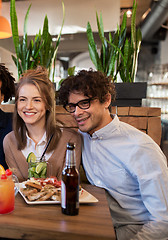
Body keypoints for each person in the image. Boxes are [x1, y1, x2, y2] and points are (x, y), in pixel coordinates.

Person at [58, 69, 168, 240]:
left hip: (134, 229)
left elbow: (163, 221)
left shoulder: (141, 147)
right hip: (98, 222)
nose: (76, 113)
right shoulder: (81, 138)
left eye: (85, 103)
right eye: (72, 106)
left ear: (106, 100)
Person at [3, 67, 82, 181]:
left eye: (37, 100)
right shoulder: (9, 141)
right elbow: (18, 187)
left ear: (48, 105)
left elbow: (67, 186)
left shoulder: (71, 140)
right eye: (22, 99)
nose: (28, 106)